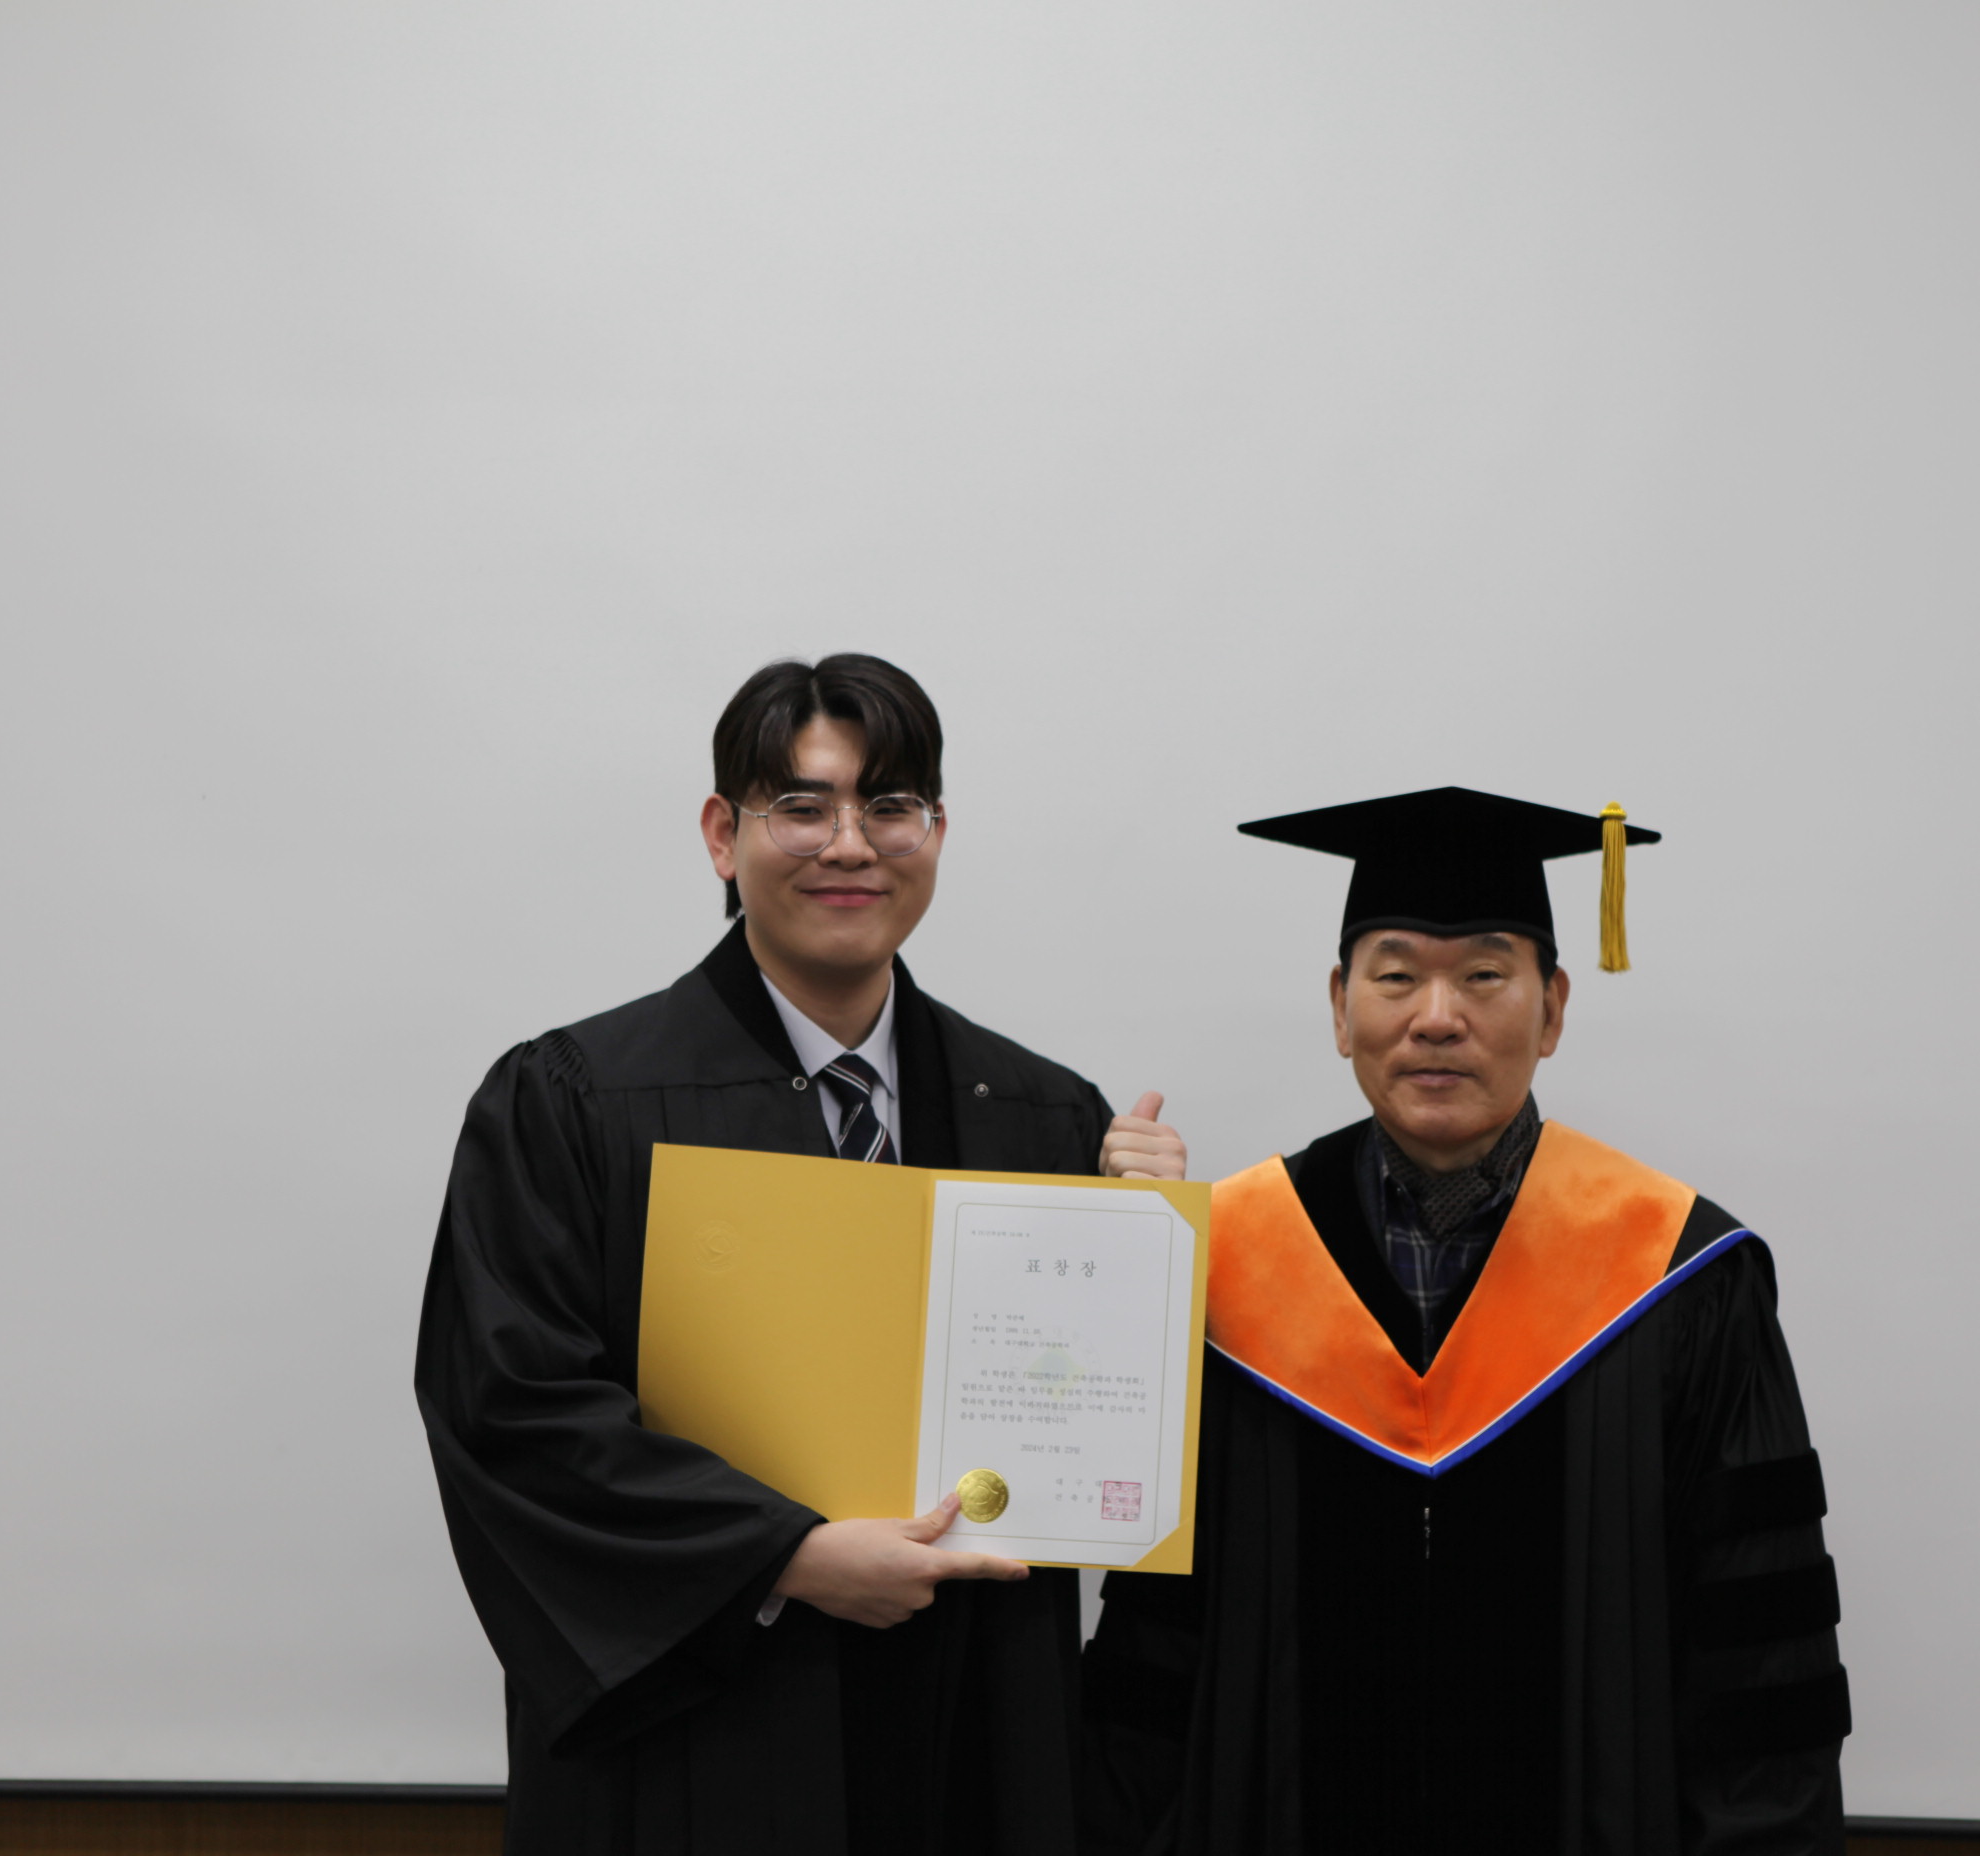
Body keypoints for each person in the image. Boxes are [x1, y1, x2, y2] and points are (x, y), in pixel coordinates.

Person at [416, 653, 1164, 1856]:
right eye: (803, 806)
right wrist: (787, 1557)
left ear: (936, 832)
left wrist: (1140, 1251)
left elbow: (1093, 1439)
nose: (850, 844)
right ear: (724, 834)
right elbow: (513, 1409)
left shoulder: (1044, 1115)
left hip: (969, 1724)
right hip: (706, 1741)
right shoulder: (572, 1099)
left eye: (891, 805)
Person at [1081, 786, 1849, 1856]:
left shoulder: (1681, 1273)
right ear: (1341, 1006)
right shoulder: (1227, 1265)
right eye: (1396, 975)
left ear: (1553, 1009)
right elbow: (1157, 1653)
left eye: (1486, 975)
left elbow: (1757, 1651)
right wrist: (1118, 1266)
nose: (1437, 1016)